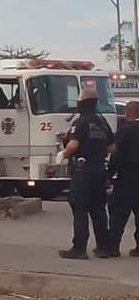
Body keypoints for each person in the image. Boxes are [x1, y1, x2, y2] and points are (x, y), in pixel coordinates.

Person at [59, 88, 115, 260]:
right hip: (99, 169)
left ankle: (79, 248)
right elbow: (111, 147)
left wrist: (64, 154)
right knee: (98, 210)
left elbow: (73, 146)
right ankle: (103, 247)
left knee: (80, 209)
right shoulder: (102, 122)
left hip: (83, 171)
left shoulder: (80, 122)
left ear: (81, 103)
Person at [107, 101, 139, 256]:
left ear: (127, 112)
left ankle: (112, 247)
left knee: (119, 212)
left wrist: (108, 174)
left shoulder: (126, 130)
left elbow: (117, 155)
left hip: (128, 177)